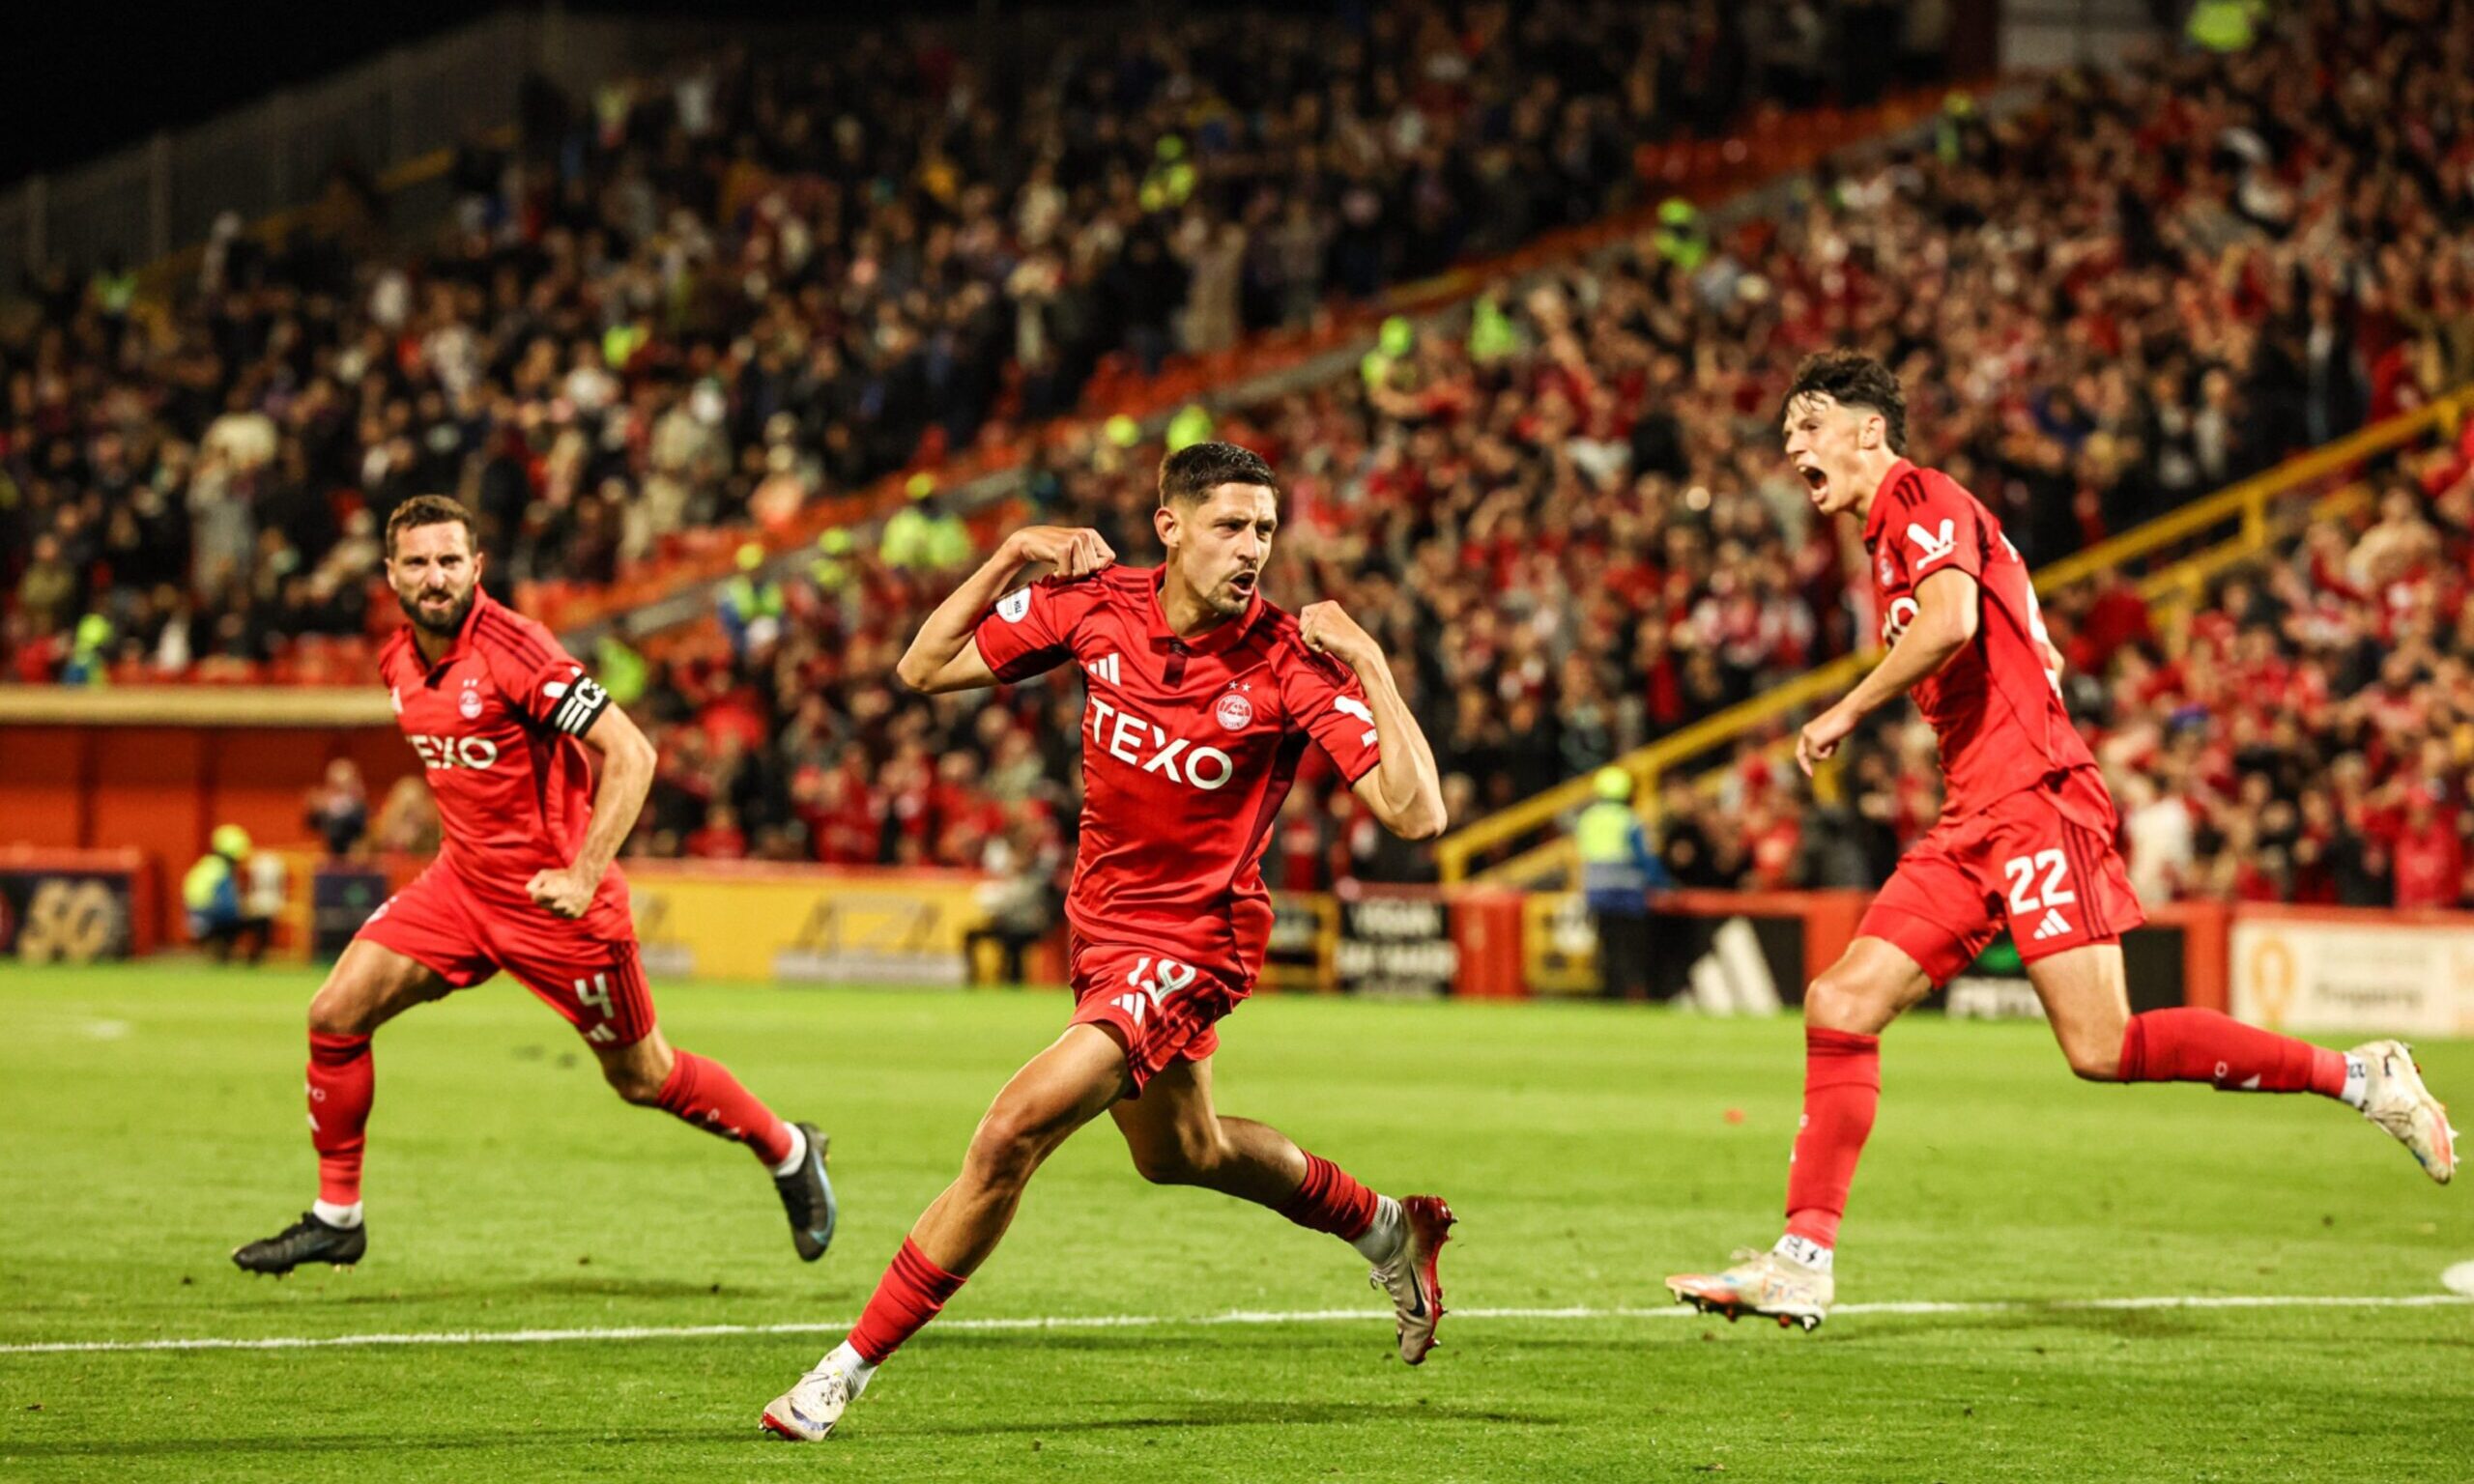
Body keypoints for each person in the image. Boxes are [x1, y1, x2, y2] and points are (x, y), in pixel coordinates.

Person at [1665, 351, 2458, 1331]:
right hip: (1974, 815)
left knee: (2100, 1044)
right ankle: (1800, 1260)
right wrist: (2026, 627)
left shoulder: (1920, 494)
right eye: (1789, 429)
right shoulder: (1891, 537)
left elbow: (1953, 618)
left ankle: (2359, 1076)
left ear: (1868, 430)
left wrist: (1845, 710)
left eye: (1810, 422)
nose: (1793, 443)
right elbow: (1992, 597)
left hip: (2034, 798)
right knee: (1840, 1000)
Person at [759, 442, 1455, 1441]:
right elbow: (922, 666)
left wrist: (1373, 666)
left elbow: (1416, 813)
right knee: (1183, 1152)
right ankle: (1389, 1225)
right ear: (1168, 526)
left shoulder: (1287, 663)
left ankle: (841, 1371)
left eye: (1264, 529)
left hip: (1193, 944)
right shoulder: (1100, 607)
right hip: (1103, 933)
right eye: (1229, 526)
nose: (1251, 548)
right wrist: (1006, 559)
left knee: (1010, 1132)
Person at [231, 496, 836, 1275]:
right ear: (391, 575)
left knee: (642, 1077)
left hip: (559, 909)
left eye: (450, 561)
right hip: (460, 890)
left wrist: (585, 874)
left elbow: (633, 753)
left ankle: (788, 1150)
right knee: (334, 1014)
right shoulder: (396, 662)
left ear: (476, 567)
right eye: (417, 563)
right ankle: (337, 1216)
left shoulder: (518, 651)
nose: (435, 576)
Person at [1576, 766, 1670, 1000]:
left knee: (1608, 949)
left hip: (1597, 892)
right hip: (1628, 894)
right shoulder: (1629, 820)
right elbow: (1645, 858)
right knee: (1632, 950)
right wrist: (1665, 884)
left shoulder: (1587, 819)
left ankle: (1609, 994)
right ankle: (1634, 993)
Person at [186, 824, 273, 963]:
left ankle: (223, 952)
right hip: (214, 921)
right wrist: (248, 909)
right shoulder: (221, 871)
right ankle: (252, 961)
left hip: (198, 921)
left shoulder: (204, 866)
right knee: (262, 921)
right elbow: (227, 908)